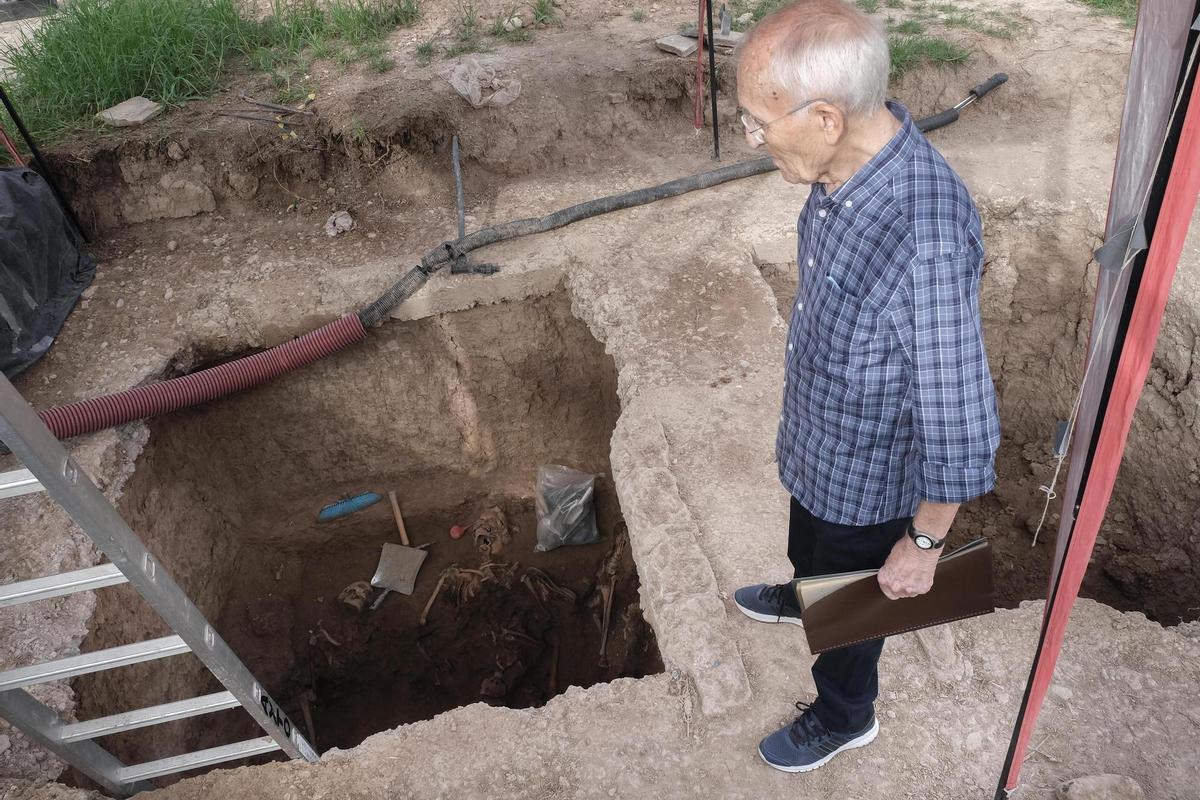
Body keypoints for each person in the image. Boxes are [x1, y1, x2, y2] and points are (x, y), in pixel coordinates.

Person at [731, 0, 1001, 774]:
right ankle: (809, 592)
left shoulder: (923, 234)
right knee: (811, 545)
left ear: (823, 117)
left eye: (757, 122)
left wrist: (922, 544)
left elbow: (959, 414)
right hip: (824, 441)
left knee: (853, 600)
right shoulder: (842, 170)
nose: (753, 140)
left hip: (871, 474)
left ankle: (846, 713)